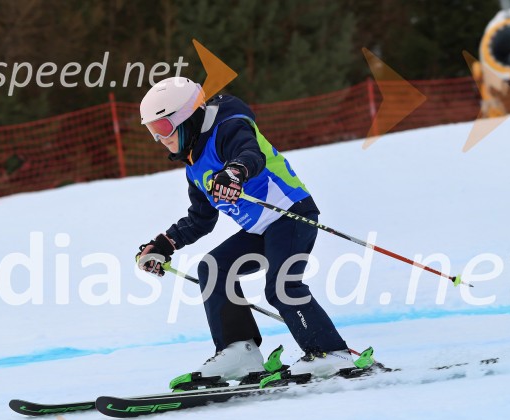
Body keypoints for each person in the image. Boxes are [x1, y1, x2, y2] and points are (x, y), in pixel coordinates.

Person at [136, 76, 364, 383]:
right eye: (152, 131)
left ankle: (330, 354)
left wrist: (234, 173)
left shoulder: (228, 126)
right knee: (213, 268)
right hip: (259, 229)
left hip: (291, 214)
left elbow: (249, 154)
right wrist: (164, 244)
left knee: (281, 286)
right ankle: (240, 351)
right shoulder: (194, 165)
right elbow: (201, 219)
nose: (159, 138)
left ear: (185, 118)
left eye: (162, 128)